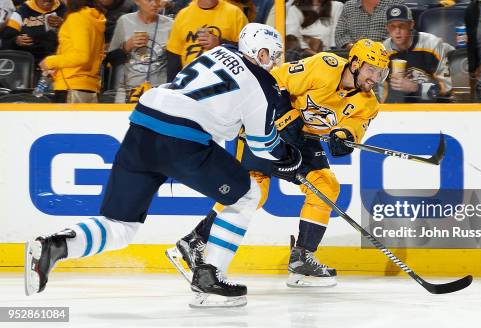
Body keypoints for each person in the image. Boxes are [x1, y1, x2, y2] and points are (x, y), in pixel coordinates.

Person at [25, 23, 301, 308]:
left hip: (143, 125)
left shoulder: (218, 51)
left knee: (121, 225)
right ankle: (210, 277)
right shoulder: (263, 85)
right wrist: (290, 157)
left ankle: (55, 246)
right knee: (247, 195)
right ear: (257, 49)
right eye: (270, 54)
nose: (273, 61)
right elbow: (262, 145)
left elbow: (219, 99)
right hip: (182, 137)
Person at [170, 38, 391, 288]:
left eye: (380, 72)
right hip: (267, 126)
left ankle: (302, 258)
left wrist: (344, 138)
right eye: (371, 69)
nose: (375, 77)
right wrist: (286, 115)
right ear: (354, 63)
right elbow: (274, 80)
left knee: (326, 186)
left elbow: (351, 132)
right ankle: (195, 241)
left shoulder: (369, 103)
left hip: (303, 139)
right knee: (254, 192)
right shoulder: (323, 66)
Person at [382, 4, 453, 103]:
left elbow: (447, 87)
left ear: (411, 24)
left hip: (432, 109)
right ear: (387, 28)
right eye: (392, 27)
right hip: (400, 109)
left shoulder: (432, 44)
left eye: (401, 26)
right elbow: (383, 93)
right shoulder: (383, 51)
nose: (397, 31)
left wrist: (416, 88)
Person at [38, 0, 105, 103]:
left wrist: (50, 61)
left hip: (70, 86)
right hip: (90, 87)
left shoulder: (76, 18)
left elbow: (81, 56)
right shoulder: (95, 18)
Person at [106, 0, 174, 102]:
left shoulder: (171, 25)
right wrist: (127, 46)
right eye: (149, 0)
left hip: (158, 90)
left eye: (157, 0)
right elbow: (112, 58)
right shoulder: (124, 21)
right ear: (137, 1)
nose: (155, 4)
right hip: (128, 90)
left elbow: (175, 62)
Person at [165, 0, 248, 81]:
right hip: (188, 83)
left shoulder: (235, 13)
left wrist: (220, 43)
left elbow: (249, 52)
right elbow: (174, 58)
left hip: (224, 83)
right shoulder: (183, 15)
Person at [1, 0, 66, 78]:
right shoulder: (22, 11)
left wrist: (64, 25)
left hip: (58, 66)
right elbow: (5, 42)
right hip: (29, 68)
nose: (47, 1)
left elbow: (76, 37)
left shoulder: (64, 9)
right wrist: (16, 41)